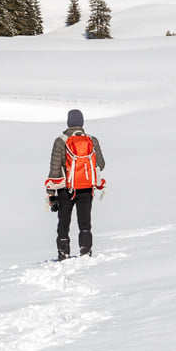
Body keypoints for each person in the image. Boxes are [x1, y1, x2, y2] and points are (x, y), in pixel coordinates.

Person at [45, 108, 105, 260]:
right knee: (85, 222)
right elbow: (101, 164)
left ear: (68, 122)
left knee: (63, 222)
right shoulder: (92, 140)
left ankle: (63, 254)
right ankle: (86, 251)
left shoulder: (61, 141)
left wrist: (50, 193)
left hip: (66, 189)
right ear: (82, 122)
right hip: (86, 187)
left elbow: (55, 169)